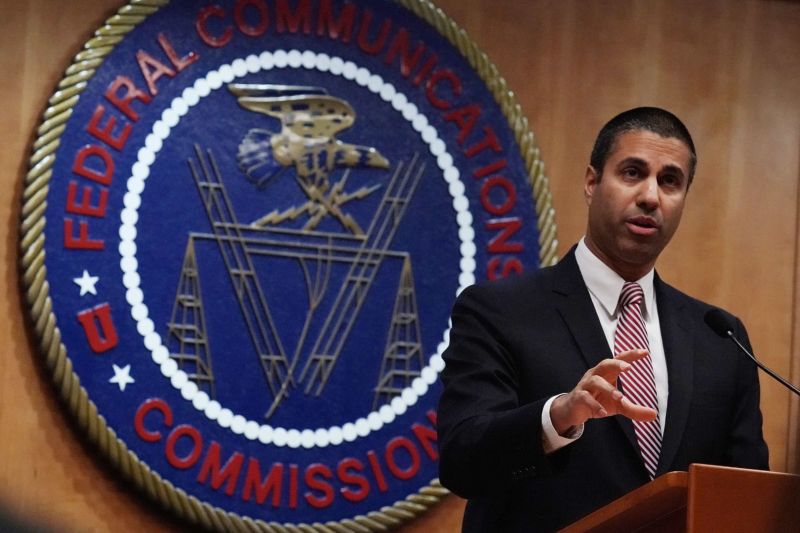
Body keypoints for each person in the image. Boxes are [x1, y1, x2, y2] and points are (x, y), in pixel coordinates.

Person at [437, 107, 769, 532]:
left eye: (670, 181)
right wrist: (556, 417)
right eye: (633, 173)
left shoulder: (721, 338)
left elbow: (745, 495)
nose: (651, 196)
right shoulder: (498, 311)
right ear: (592, 182)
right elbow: (462, 463)